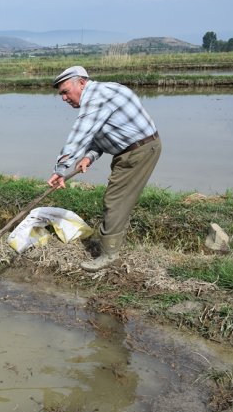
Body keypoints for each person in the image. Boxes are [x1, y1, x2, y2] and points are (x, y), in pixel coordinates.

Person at [47, 66, 162, 272]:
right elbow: (102, 132)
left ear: (81, 83)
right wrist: (89, 157)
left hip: (139, 151)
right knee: (119, 198)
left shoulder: (97, 98)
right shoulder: (100, 94)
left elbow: (80, 134)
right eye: (61, 94)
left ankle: (109, 254)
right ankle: (113, 241)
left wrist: (60, 169)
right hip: (133, 149)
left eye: (65, 91)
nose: (64, 98)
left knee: (115, 199)